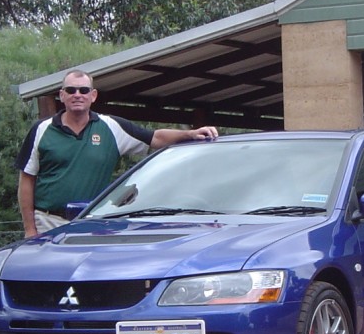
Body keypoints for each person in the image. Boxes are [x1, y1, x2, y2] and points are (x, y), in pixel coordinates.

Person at [16, 69, 219, 236]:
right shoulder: (41, 130)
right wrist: (30, 229)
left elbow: (154, 138)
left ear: (93, 95)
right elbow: (26, 179)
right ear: (62, 95)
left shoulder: (111, 127)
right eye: (71, 90)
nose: (77, 95)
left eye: (83, 90)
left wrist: (191, 134)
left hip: (94, 225)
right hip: (48, 223)